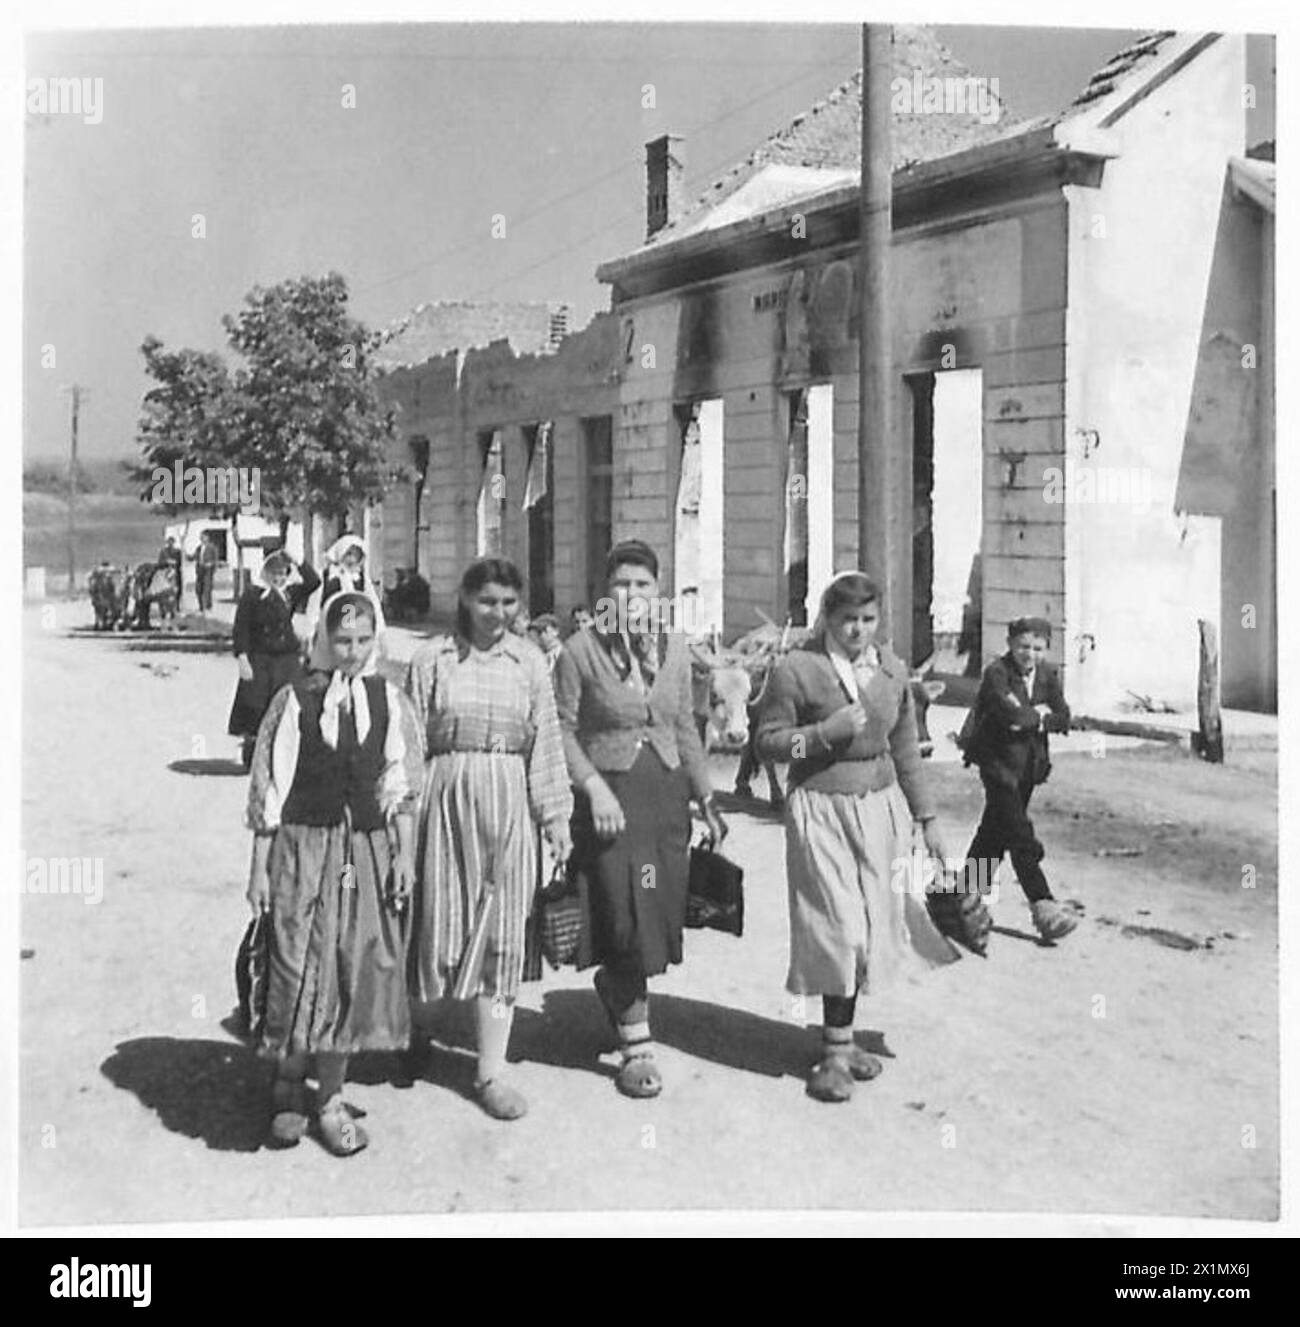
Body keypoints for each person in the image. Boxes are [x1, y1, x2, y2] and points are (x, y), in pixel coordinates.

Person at [755, 571, 958, 1104]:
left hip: (880, 807)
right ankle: (833, 1056)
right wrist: (823, 735)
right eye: (848, 620)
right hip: (820, 810)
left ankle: (841, 1042)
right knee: (837, 929)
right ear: (827, 617)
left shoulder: (891, 671)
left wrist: (928, 818)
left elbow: (906, 749)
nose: (858, 631)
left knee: (869, 928)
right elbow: (770, 745)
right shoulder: (796, 670)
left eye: (868, 620)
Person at [244, 591, 424, 1155]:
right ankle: (288, 1083)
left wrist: (402, 856)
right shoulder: (295, 700)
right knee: (298, 964)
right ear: (324, 638)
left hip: (360, 854)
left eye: (363, 640)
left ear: (376, 640)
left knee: (350, 964)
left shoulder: (389, 700)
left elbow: (398, 785)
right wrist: (259, 870)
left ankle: (331, 1098)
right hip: (304, 849)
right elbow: (270, 789)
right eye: (342, 639)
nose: (352, 650)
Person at [554, 539, 727, 1100]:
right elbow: (559, 730)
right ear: (605, 592)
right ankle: (636, 1044)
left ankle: (619, 990)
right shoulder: (579, 651)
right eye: (621, 584)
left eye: (643, 585)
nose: (632, 595)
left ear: (659, 591)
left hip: (665, 797)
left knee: (654, 907)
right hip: (610, 801)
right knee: (624, 910)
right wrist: (594, 788)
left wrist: (705, 796)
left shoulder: (674, 649)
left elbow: (682, 726)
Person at [405, 557, 573, 1121]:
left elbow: (545, 742)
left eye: (508, 603)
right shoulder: (432, 659)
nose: (497, 614)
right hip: (446, 796)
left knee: (503, 934)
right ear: (465, 600)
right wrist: (403, 815)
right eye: (487, 601)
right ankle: (416, 1038)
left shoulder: (529, 662)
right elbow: (407, 743)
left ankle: (490, 1071)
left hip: (509, 804)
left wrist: (555, 819)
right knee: (437, 924)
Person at [960, 617, 1075, 941]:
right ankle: (1044, 905)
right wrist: (1036, 716)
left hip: (1028, 768)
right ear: (1010, 644)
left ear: (1046, 649)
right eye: (1023, 646)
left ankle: (962, 896)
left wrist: (1035, 718)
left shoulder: (1048, 676)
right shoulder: (997, 673)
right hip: (996, 765)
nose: (1029, 654)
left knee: (994, 834)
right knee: (1019, 834)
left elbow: (1064, 717)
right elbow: (1011, 714)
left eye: (1037, 648)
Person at [228, 550, 320, 769]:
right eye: (274, 573)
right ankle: (252, 750)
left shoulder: (289, 594)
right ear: (265, 572)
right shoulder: (252, 595)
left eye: (282, 573)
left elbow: (314, 582)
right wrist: (242, 658)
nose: (278, 578)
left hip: (286, 658)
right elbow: (241, 629)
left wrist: (297, 560)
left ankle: (284, 753)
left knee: (287, 703)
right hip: (260, 658)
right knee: (256, 705)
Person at [322, 534, 387, 641]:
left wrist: (380, 631)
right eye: (349, 554)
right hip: (330, 628)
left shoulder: (360, 579)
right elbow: (314, 609)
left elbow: (374, 604)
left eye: (356, 555)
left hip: (356, 630)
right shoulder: (328, 576)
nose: (352, 559)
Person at [188, 531, 219, 613]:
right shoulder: (199, 548)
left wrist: (212, 565)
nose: (202, 538)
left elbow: (216, 560)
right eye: (201, 537)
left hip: (208, 571)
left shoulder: (212, 547)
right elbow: (193, 557)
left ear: (207, 537)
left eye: (203, 537)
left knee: (207, 589)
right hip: (200, 570)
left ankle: (207, 607)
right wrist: (186, 555)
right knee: (198, 589)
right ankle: (201, 606)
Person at [158, 535, 184, 612]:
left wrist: (175, 562)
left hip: (175, 572)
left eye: (172, 542)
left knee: (177, 590)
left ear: (174, 543)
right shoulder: (163, 551)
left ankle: (177, 605)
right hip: (166, 573)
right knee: (165, 590)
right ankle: (165, 606)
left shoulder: (177, 551)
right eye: (169, 542)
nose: (170, 543)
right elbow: (160, 562)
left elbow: (180, 562)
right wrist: (166, 562)